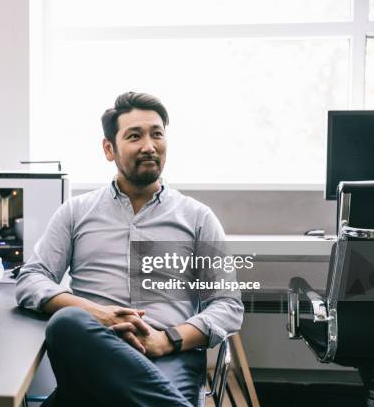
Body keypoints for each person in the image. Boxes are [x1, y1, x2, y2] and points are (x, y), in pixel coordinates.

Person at [16, 92, 244, 406]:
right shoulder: (75, 212)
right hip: (93, 349)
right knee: (67, 323)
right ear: (109, 149)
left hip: (168, 356)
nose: (149, 146)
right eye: (135, 136)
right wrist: (98, 315)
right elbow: (31, 279)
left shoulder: (197, 218)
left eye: (157, 134)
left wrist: (166, 340)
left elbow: (227, 304)